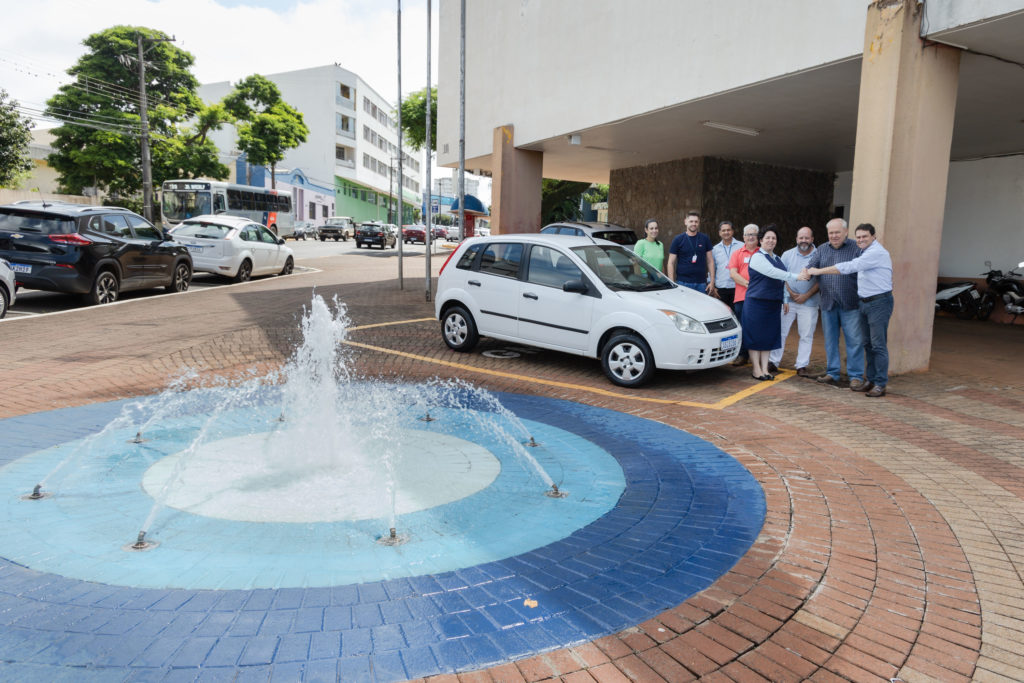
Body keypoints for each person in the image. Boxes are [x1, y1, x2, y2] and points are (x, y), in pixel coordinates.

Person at [804, 223, 893, 397]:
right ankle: (870, 380)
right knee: (868, 344)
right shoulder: (863, 250)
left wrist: (819, 271)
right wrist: (806, 271)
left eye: (864, 236)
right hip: (861, 303)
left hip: (876, 303)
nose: (861, 239)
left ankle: (879, 383)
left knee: (877, 345)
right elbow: (809, 266)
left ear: (873, 237)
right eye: (858, 237)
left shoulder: (875, 252)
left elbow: (849, 267)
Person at [801, 218, 865, 390]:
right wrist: (805, 272)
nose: (834, 236)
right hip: (828, 303)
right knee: (830, 340)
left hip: (851, 304)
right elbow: (810, 267)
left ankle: (856, 376)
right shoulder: (822, 249)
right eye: (831, 233)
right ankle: (833, 372)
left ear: (846, 232)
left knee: (854, 341)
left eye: (837, 232)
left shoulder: (856, 248)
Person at [743, 225, 801, 381]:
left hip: (773, 304)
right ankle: (756, 369)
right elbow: (773, 272)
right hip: (757, 303)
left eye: (773, 238)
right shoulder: (757, 257)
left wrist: (785, 299)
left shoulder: (777, 258)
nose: (770, 240)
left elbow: (781, 281)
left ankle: (764, 369)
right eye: (767, 238)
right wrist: (797, 276)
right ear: (761, 240)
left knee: (768, 337)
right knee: (756, 337)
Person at [768, 227, 820, 377]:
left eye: (807, 238)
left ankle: (801, 365)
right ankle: (773, 362)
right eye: (801, 238)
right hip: (788, 301)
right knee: (781, 332)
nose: (804, 241)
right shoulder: (787, 254)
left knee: (806, 335)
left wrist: (806, 295)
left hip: (809, 302)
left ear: (812, 239)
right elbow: (781, 276)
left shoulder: (819, 255)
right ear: (796, 239)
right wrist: (790, 293)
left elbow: (821, 280)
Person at [727, 224, 761, 366]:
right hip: (741, 297)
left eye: (753, 234)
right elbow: (733, 273)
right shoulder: (737, 253)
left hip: (759, 297)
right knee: (742, 326)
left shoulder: (762, 253)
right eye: (748, 234)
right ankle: (742, 355)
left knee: (758, 326)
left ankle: (758, 355)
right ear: (743, 237)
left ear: (758, 237)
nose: (750, 237)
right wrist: (749, 285)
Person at [667, 211, 716, 294]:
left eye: (696, 221)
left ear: (699, 223)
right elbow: (671, 262)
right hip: (683, 283)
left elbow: (710, 261)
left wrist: (712, 282)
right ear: (685, 222)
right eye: (691, 221)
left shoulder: (705, 238)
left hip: (701, 283)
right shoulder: (678, 239)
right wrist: (672, 283)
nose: (694, 224)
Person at [711, 221, 741, 310]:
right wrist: (712, 285)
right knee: (722, 313)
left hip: (737, 287)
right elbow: (712, 268)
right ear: (719, 233)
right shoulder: (715, 249)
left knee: (737, 314)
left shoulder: (741, 246)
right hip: (721, 288)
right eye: (723, 230)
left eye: (728, 230)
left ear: (733, 231)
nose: (726, 232)